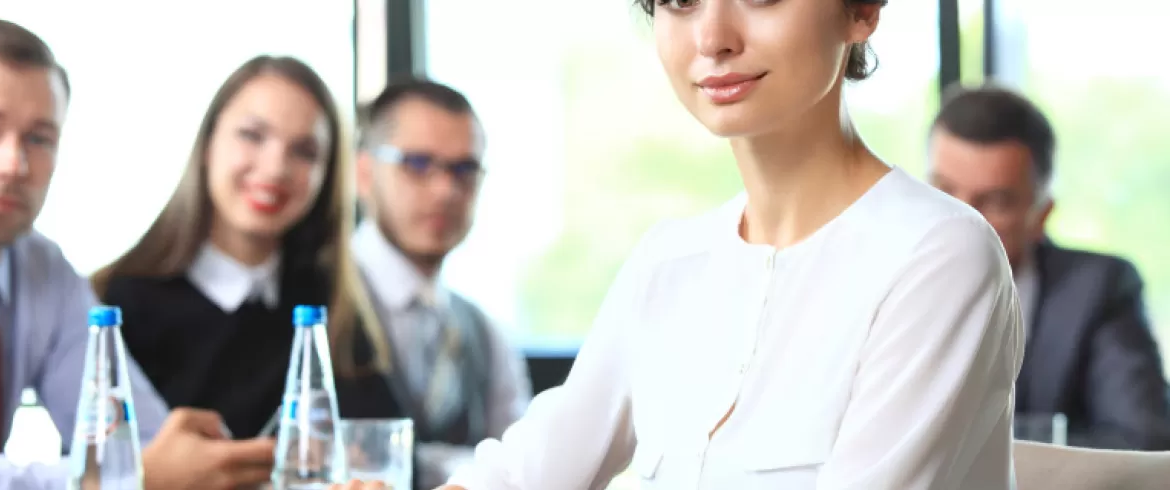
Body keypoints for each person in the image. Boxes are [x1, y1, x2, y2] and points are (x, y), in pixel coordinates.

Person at [349, 0, 1024, 488]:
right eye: (678, 0)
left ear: (862, 11)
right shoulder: (669, 260)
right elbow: (533, 469)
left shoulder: (938, 253)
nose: (712, 37)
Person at [0, 18, 274, 489]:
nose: (13, 164)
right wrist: (111, 480)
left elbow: (136, 442)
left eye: (39, 138)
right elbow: (134, 473)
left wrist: (208, 463)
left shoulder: (43, 270)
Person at [90, 55, 403, 442]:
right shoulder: (115, 305)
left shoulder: (329, 305)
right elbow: (99, 461)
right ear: (208, 145)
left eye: (304, 151)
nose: (275, 168)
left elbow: (384, 449)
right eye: (252, 136)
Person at [928, 85, 1170, 450]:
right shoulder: (877, 282)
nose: (960, 220)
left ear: (1041, 214)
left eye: (995, 202)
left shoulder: (1100, 288)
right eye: (942, 191)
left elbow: (1144, 439)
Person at [353, 79, 531, 488]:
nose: (445, 190)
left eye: (464, 170)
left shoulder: (486, 333)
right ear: (364, 173)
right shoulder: (308, 300)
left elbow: (526, 471)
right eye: (417, 164)